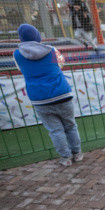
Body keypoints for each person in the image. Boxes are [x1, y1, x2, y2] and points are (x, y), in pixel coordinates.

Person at [13, 24, 82, 167]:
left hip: (40, 98)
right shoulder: (51, 50)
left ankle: (66, 158)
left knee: (55, 130)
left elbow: (21, 69)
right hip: (62, 93)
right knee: (70, 126)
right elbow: (61, 64)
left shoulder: (17, 54)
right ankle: (77, 153)